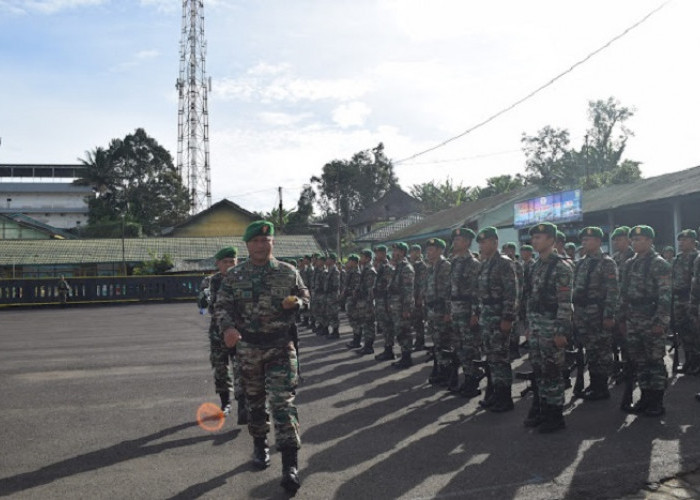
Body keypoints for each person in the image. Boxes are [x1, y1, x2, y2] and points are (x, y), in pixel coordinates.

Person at [214, 220, 308, 495]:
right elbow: (222, 306)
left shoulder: (288, 272)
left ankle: (290, 465)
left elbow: (304, 295)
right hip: (249, 348)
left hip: (281, 346)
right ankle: (260, 446)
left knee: (282, 402)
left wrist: (299, 303)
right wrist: (228, 327)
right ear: (248, 244)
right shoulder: (234, 276)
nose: (260, 245)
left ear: (272, 243)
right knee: (255, 402)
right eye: (255, 241)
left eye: (265, 241)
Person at [616, 225, 671, 417]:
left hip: (651, 317)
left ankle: (656, 401)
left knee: (654, 360)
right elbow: (623, 293)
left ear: (650, 241)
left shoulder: (660, 264)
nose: (636, 242)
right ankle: (645, 397)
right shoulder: (629, 263)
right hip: (633, 318)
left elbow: (665, 296)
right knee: (639, 361)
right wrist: (621, 318)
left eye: (640, 239)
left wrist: (660, 322)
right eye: (634, 239)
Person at [524, 222, 573, 433]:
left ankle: (555, 417)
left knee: (552, 372)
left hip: (552, 326)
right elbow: (531, 299)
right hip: (536, 326)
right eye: (533, 237)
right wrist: (529, 325)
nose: (534, 241)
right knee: (540, 371)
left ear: (552, 240)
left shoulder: (561, 266)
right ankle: (543, 411)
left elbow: (565, 302)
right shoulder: (536, 265)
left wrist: (561, 331)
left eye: (539, 237)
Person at [201, 246, 248, 423]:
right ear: (218, 263)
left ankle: (243, 405)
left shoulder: (245, 280)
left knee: (241, 369)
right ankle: (225, 402)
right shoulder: (211, 281)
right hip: (218, 332)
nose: (229, 265)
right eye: (225, 262)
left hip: (239, 332)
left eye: (232, 261)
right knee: (220, 368)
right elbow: (208, 306)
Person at [572, 227, 619, 401]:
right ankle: (594, 383)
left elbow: (613, 291)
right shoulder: (581, 262)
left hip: (598, 313)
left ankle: (602, 386)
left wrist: (609, 315)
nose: (584, 242)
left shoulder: (607, 262)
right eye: (583, 239)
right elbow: (575, 289)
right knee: (590, 350)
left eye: (589, 239)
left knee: (602, 350)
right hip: (583, 313)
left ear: (599, 241)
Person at [476, 227, 518, 412]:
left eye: (484, 242)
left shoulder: (504, 263)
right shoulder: (485, 264)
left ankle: (505, 398)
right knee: (491, 357)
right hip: (487, 315)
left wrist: (508, 317)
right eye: (480, 243)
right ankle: (494, 394)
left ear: (494, 242)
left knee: (500, 357)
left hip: (499, 315)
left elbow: (511, 293)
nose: (481, 245)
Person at [449, 228, 482, 397]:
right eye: (455, 240)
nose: (455, 242)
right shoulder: (454, 262)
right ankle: (468, 377)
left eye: (459, 240)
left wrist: (475, 313)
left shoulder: (474, 264)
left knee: (470, 347)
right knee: (460, 346)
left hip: (467, 310)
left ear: (468, 242)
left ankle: (473, 381)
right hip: (455, 309)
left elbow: (477, 291)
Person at [424, 238, 454, 384]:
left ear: (440, 250)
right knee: (437, 341)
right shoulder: (432, 267)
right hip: (433, 309)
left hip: (442, 310)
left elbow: (449, 291)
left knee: (444, 341)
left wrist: (448, 312)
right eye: (428, 250)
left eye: (432, 250)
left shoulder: (445, 266)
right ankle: (439, 368)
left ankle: (447, 372)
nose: (428, 252)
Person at [672, 230, 699, 374]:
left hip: (692, 298)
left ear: (693, 241)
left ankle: (697, 361)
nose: (681, 243)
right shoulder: (677, 259)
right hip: (679, 299)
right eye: (680, 240)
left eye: (685, 240)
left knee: (696, 331)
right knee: (683, 331)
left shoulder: (697, 257)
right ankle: (689, 360)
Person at [386, 242, 415, 368]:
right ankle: (404, 356)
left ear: (402, 252)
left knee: (404, 332)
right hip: (395, 303)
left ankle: (407, 358)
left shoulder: (406, 268)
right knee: (399, 331)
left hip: (402, 305)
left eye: (396, 251)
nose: (393, 253)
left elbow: (408, 290)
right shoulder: (397, 267)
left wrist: (406, 308)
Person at [369, 245, 393, 356]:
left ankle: (389, 350)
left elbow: (387, 285)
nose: (376, 255)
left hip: (384, 300)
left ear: (383, 254)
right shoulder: (378, 266)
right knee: (383, 325)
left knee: (387, 325)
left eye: (378, 253)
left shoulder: (387, 267)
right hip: (379, 299)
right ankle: (387, 348)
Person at [502, 242, 524, 359]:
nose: (507, 252)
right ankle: (508, 348)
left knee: (515, 327)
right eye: (505, 250)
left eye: (510, 250)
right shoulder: (502, 264)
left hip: (516, 299)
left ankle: (515, 348)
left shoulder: (517, 265)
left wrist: (518, 301)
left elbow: (520, 285)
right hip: (506, 301)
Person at [409, 244, 428, 351]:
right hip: (411, 295)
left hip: (417, 296)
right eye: (412, 251)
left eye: (416, 251)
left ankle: (420, 342)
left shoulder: (422, 265)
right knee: (414, 321)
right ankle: (417, 341)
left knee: (419, 321)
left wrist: (420, 297)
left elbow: (423, 282)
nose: (413, 253)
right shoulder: (410, 264)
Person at [343, 255, 362, 348]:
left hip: (354, 299)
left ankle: (357, 341)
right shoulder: (350, 272)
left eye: (349, 261)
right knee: (352, 320)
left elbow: (357, 288)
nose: (348, 263)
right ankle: (355, 339)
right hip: (350, 298)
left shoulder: (357, 273)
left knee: (356, 320)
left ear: (354, 262)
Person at [323, 253, 341, 339]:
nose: (326, 261)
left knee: (334, 313)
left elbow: (336, 285)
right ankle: (333, 331)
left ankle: (336, 332)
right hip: (329, 295)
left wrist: (329, 290)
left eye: (328, 259)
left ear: (332, 260)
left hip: (333, 295)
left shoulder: (335, 271)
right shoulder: (329, 270)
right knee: (329, 313)